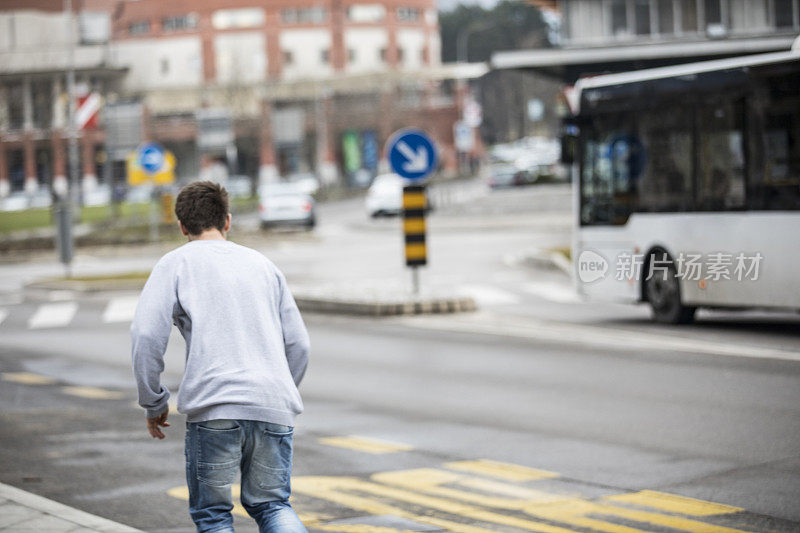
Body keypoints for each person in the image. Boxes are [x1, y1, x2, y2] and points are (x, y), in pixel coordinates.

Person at [131, 180, 309, 533]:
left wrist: (154, 402)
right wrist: (277, 390)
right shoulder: (264, 265)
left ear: (182, 226)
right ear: (227, 221)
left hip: (215, 407)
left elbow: (147, 335)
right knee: (273, 506)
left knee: (212, 516)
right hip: (272, 404)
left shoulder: (175, 264)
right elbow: (299, 343)